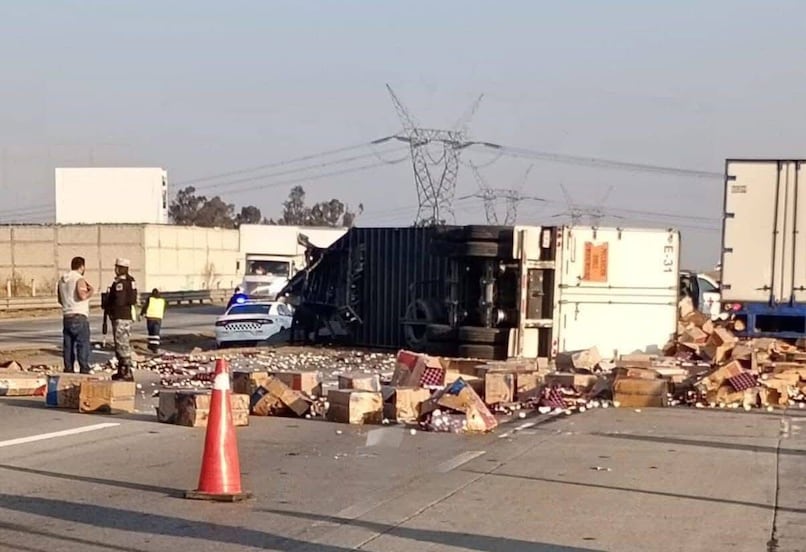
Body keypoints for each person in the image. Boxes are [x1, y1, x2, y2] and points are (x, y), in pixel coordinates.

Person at [57, 256, 94, 373]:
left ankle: (68, 367)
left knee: (68, 345)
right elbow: (82, 296)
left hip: (67, 315)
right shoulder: (79, 279)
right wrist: (91, 291)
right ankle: (84, 367)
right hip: (79, 314)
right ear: (82, 267)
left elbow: (60, 299)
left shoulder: (62, 280)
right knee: (82, 343)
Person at [104, 258, 138, 381]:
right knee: (122, 343)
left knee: (122, 344)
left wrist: (110, 304)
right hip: (126, 315)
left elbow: (119, 300)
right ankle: (122, 370)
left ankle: (126, 371)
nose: (116, 270)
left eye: (117, 268)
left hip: (120, 315)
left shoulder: (121, 283)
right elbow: (132, 299)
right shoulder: (131, 281)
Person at [141, 288, 166, 353]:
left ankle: (151, 346)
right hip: (158, 318)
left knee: (151, 332)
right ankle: (155, 347)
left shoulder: (150, 299)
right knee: (156, 333)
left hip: (150, 318)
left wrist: (142, 314)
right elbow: (164, 309)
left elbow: (145, 307)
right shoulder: (162, 300)